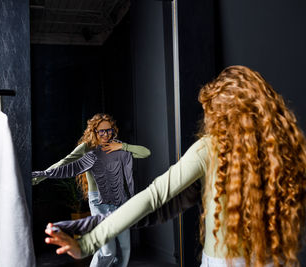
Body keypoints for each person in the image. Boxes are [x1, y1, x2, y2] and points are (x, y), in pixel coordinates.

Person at [44, 66, 306, 267]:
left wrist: (88, 242)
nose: (209, 120)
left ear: (223, 113)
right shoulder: (287, 148)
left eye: (211, 112)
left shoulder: (211, 146)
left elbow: (153, 197)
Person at [33, 113, 151, 267]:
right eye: (101, 131)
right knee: (107, 250)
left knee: (124, 248)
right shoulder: (86, 148)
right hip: (99, 202)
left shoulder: (117, 145)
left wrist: (123, 146)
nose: (106, 134)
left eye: (109, 130)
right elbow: (64, 162)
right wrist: (43, 175)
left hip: (120, 201)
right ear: (94, 131)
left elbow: (145, 152)